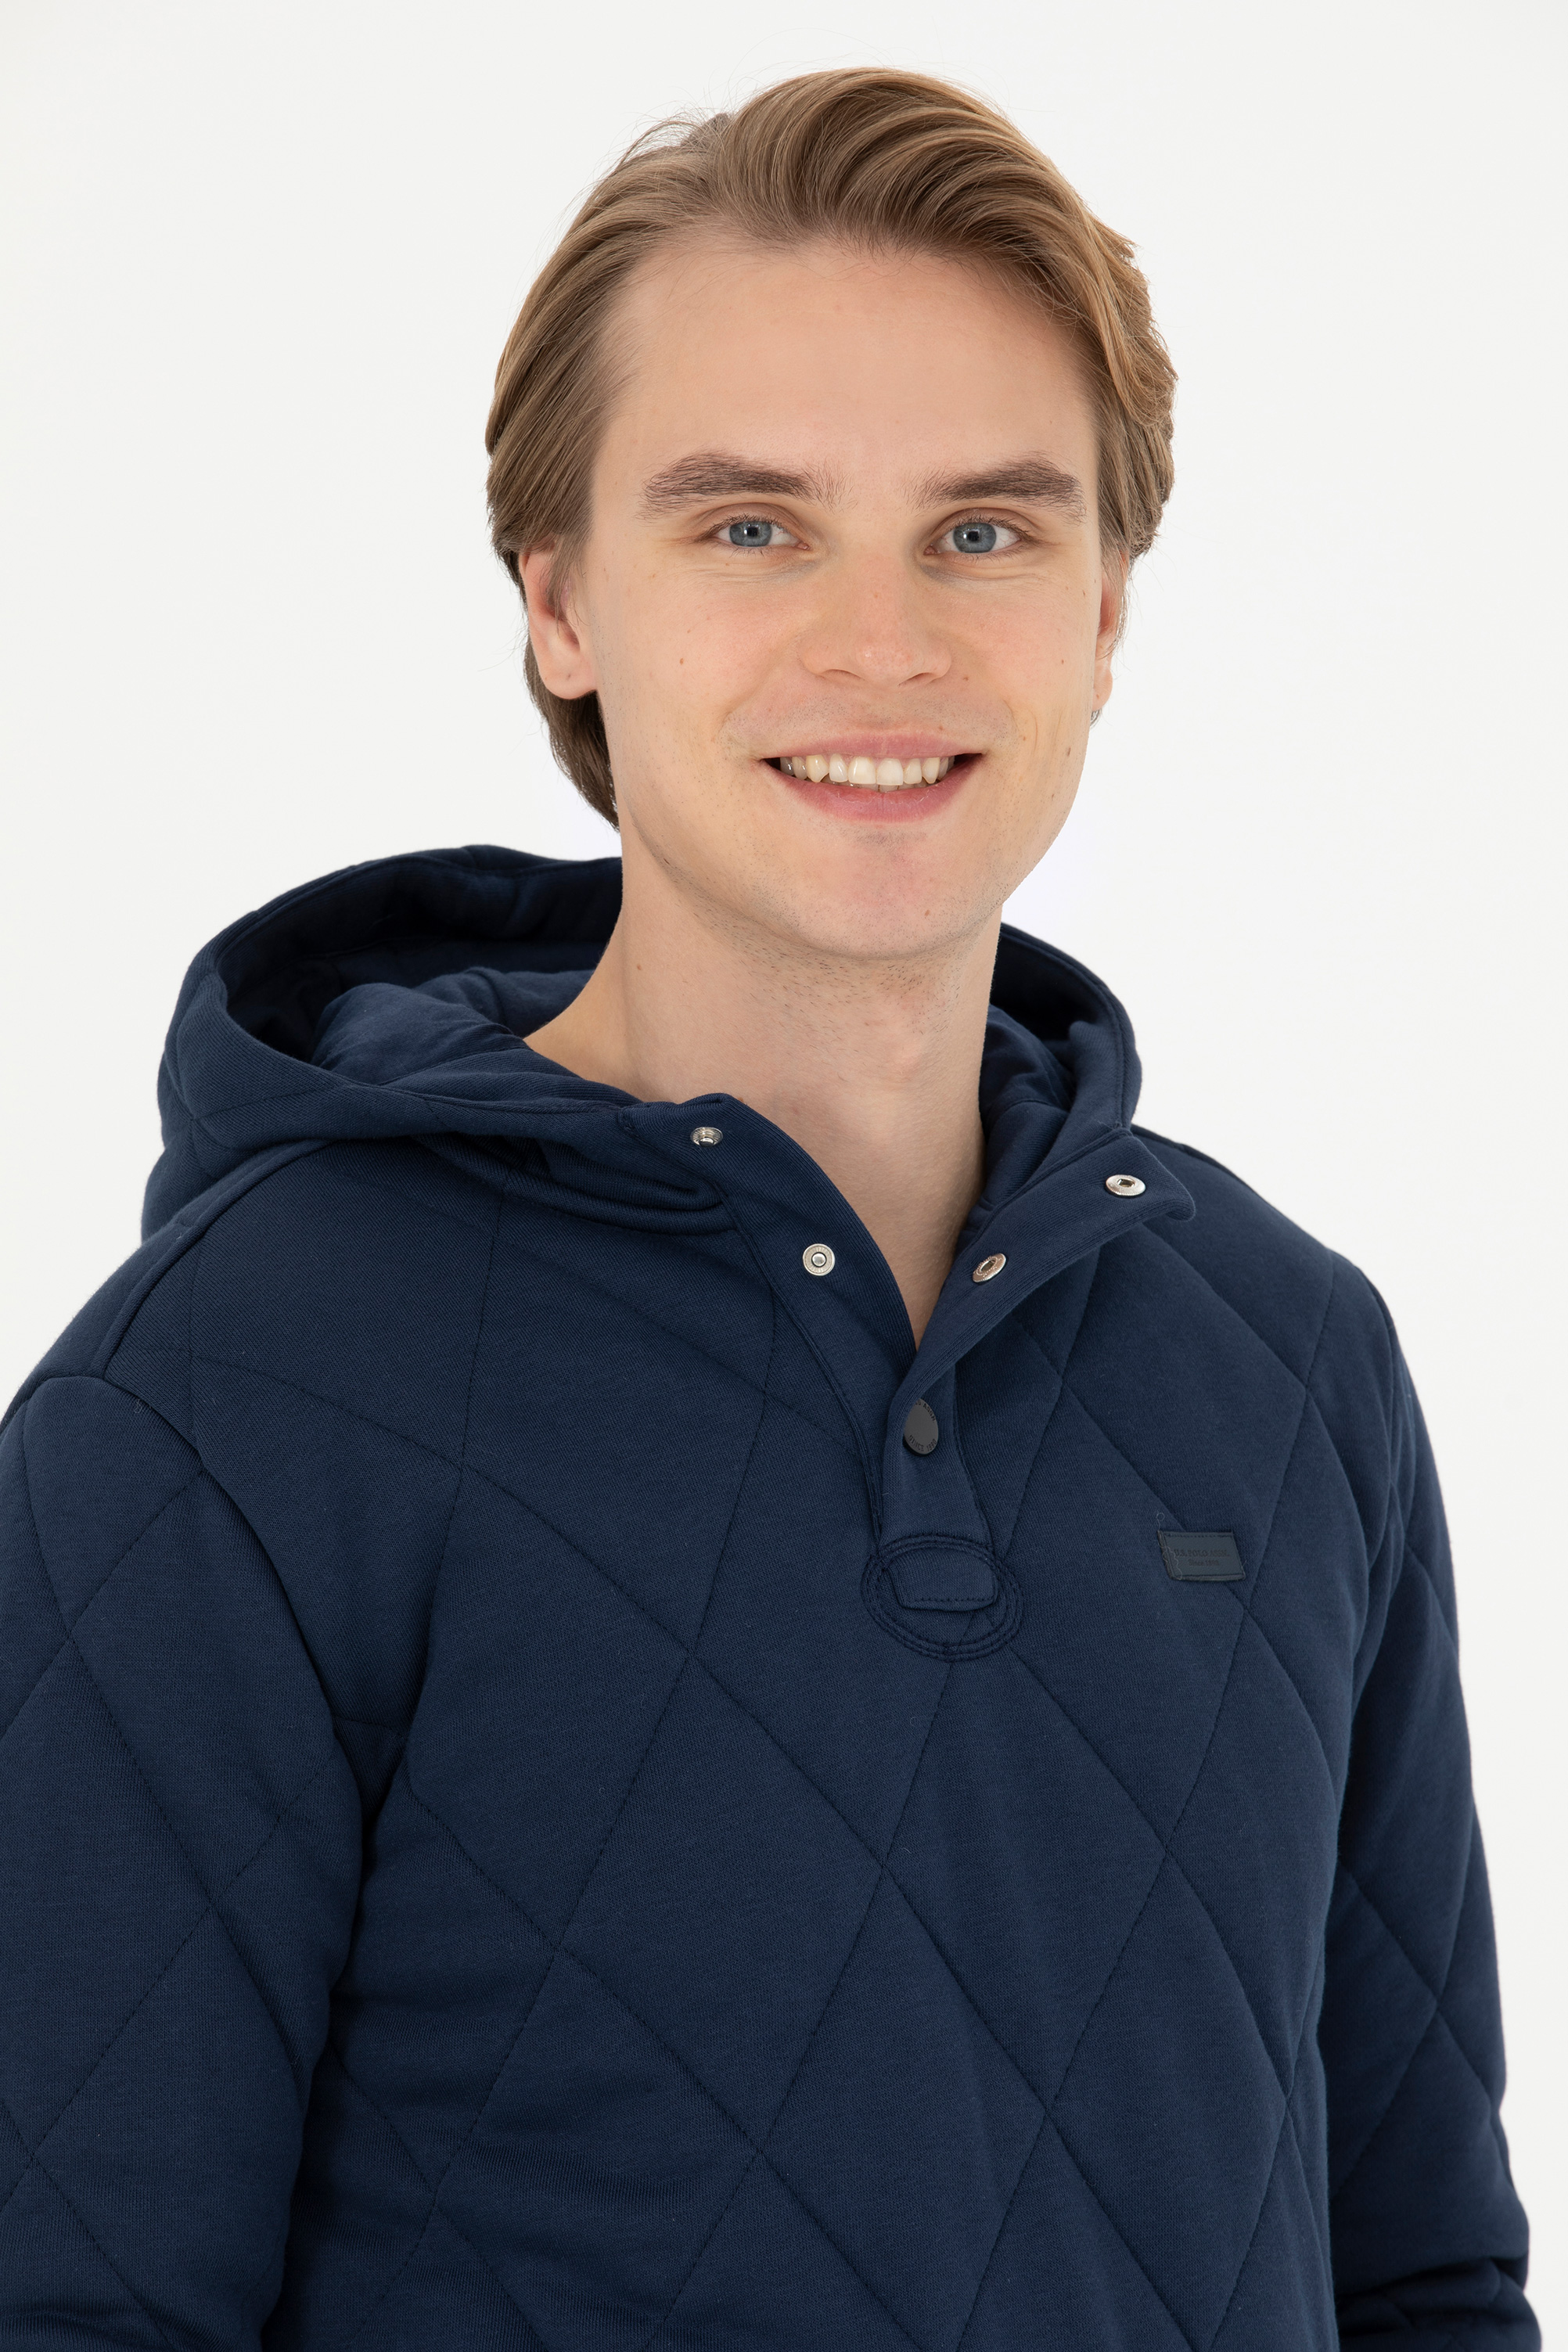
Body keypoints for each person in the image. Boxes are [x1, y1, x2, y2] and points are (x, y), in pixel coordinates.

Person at [0, 67, 1535, 2350]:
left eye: (983, 531)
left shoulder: (1289, 1359)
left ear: (1107, 614)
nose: (880, 642)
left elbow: (1425, 2280)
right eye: (749, 526)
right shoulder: (226, 1394)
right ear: (560, 604)